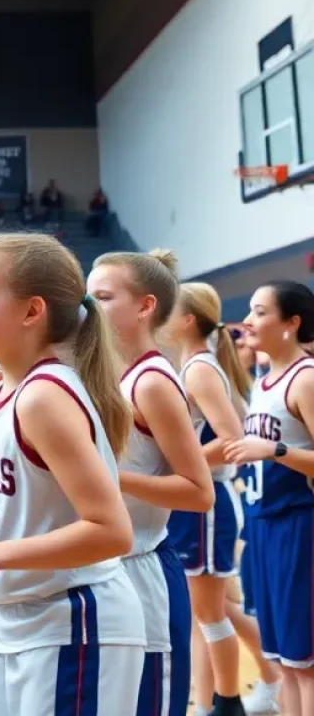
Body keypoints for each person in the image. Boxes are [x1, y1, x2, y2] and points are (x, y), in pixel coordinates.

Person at [0, 232, 145, 716]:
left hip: (75, 614)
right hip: (14, 616)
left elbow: (112, 531)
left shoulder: (44, 396)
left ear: (31, 311)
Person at [86, 250, 214, 716]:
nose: (89, 306)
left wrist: (114, 477)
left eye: (102, 296)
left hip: (143, 571)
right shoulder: (103, 374)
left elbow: (199, 492)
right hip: (101, 572)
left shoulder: (153, 381)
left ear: (144, 306)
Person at [225, 281, 314, 716]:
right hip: (261, 526)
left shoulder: (306, 379)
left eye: (260, 312)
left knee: (306, 664)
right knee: (283, 661)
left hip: (297, 526)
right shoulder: (263, 381)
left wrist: (275, 450)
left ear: (292, 323)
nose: (248, 321)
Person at [164, 282, 249, 716]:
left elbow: (235, 437)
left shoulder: (199, 369)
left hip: (208, 502)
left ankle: (229, 703)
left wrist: (180, 461)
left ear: (188, 319)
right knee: (208, 615)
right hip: (197, 502)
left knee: (213, 614)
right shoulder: (192, 365)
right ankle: (205, 704)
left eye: (169, 308)